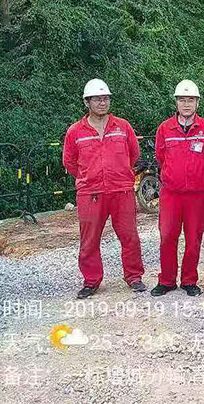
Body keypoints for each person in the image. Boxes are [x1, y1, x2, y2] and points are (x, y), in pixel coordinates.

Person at [62, 79, 145, 299]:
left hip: (121, 190)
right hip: (90, 193)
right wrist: (88, 177)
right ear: (86, 102)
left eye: (106, 98)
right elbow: (69, 162)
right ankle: (91, 280)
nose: (102, 103)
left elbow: (134, 154)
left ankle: (134, 276)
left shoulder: (123, 127)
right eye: (97, 99)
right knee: (89, 239)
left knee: (129, 235)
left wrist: (120, 173)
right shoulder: (75, 131)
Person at [151, 80, 204, 297]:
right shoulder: (165, 128)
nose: (186, 104)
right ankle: (167, 280)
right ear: (176, 102)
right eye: (182, 100)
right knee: (167, 235)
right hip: (171, 193)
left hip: (198, 194)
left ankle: (189, 280)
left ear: (198, 103)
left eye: (191, 100)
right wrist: (173, 176)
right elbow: (161, 157)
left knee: (194, 237)